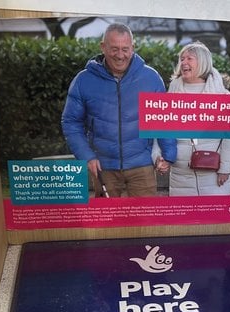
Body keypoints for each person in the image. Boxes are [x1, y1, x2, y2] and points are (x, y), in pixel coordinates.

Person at [62, 23, 176, 197]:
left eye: (125, 49)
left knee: (145, 214)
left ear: (133, 47)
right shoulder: (83, 80)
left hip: (142, 166)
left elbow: (163, 120)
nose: (120, 55)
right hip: (103, 167)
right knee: (106, 215)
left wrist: (168, 155)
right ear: (103, 47)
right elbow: (71, 122)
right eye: (114, 49)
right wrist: (87, 156)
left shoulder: (151, 78)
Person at [166, 42, 230, 196]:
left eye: (189, 58)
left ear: (203, 62)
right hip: (180, 175)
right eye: (182, 59)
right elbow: (162, 133)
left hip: (214, 175)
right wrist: (161, 157)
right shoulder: (171, 95)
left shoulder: (223, 96)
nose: (184, 62)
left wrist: (225, 169)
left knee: (214, 212)